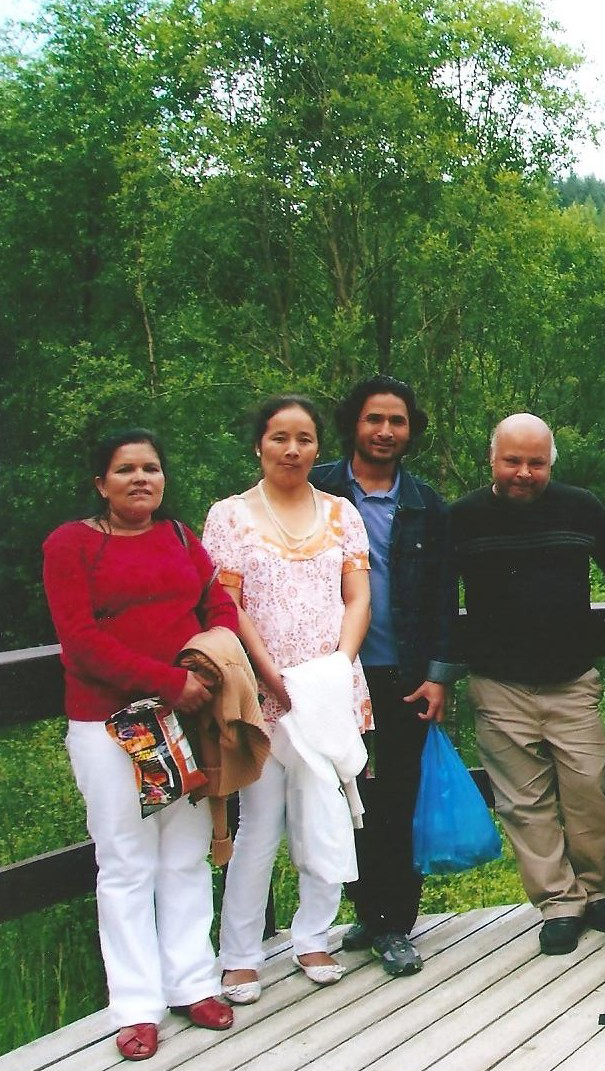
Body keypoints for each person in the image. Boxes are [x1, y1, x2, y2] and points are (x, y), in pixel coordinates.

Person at [43, 430, 240, 1061]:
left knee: (184, 855)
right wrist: (167, 681)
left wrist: (209, 663)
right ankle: (135, 1007)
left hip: (185, 721)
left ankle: (193, 983)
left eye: (150, 468)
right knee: (127, 863)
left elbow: (218, 605)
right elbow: (81, 640)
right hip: (111, 724)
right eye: (125, 469)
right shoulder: (71, 545)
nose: (140, 479)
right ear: (100, 483)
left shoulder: (180, 537)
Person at [204, 396, 373, 1002]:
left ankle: (313, 935)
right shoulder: (229, 517)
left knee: (324, 810)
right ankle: (240, 954)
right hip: (262, 694)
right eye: (280, 437)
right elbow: (229, 607)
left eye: (304, 438)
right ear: (259, 444)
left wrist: (339, 667)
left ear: (318, 447)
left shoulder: (342, 514)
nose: (292, 449)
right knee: (260, 825)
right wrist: (274, 678)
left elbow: (358, 597)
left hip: (329, 689)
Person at [451, 413, 605, 956]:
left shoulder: (580, 507)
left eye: (536, 462)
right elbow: (436, 597)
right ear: (492, 460)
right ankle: (559, 902)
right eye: (513, 461)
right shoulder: (463, 518)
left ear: (551, 462)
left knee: (588, 792)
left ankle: (594, 890)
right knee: (524, 804)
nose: (524, 473)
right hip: (498, 684)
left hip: (571, 680)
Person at [311, 375, 460, 977]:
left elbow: (445, 597)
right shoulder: (317, 490)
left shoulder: (426, 504)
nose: (385, 431)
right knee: (340, 799)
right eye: (374, 419)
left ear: (410, 430)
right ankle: (363, 912)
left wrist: (439, 675)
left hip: (403, 675)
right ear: (353, 424)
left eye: (397, 421)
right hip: (330, 675)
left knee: (398, 798)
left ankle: (395, 922)